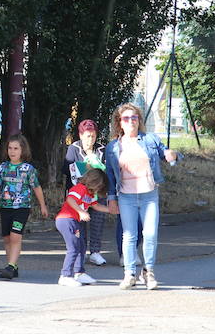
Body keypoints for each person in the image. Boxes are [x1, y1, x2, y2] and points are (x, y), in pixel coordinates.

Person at [107, 102, 179, 290]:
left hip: (149, 195)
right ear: (120, 123)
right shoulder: (113, 147)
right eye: (126, 119)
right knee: (129, 235)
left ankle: (148, 272)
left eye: (134, 118)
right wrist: (111, 198)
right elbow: (109, 175)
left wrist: (173, 155)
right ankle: (129, 274)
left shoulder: (150, 139)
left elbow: (166, 154)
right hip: (126, 196)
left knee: (150, 234)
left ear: (139, 120)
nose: (131, 121)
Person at [0, 134, 51, 280]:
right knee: (7, 238)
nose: (12, 151)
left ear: (23, 150)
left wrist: (43, 206)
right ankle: (12, 265)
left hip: (22, 207)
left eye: (16, 148)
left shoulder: (28, 169)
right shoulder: (3, 167)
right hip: (5, 207)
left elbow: (37, 187)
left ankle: (11, 266)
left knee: (15, 236)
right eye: (10, 148)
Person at [54, 168, 113, 286]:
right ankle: (65, 275)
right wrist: (81, 212)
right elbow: (70, 199)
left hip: (73, 221)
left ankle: (79, 273)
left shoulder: (90, 194)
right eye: (99, 186)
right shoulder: (80, 188)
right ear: (94, 181)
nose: (99, 189)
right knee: (73, 248)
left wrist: (111, 210)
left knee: (81, 246)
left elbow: (95, 206)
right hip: (67, 220)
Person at [66, 120, 112, 266]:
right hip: (80, 192)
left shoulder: (102, 149)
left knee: (98, 222)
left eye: (93, 136)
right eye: (87, 136)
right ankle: (80, 251)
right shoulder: (73, 148)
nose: (90, 139)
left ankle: (95, 252)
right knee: (80, 222)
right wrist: (85, 168)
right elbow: (67, 168)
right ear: (80, 135)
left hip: (98, 191)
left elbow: (107, 171)